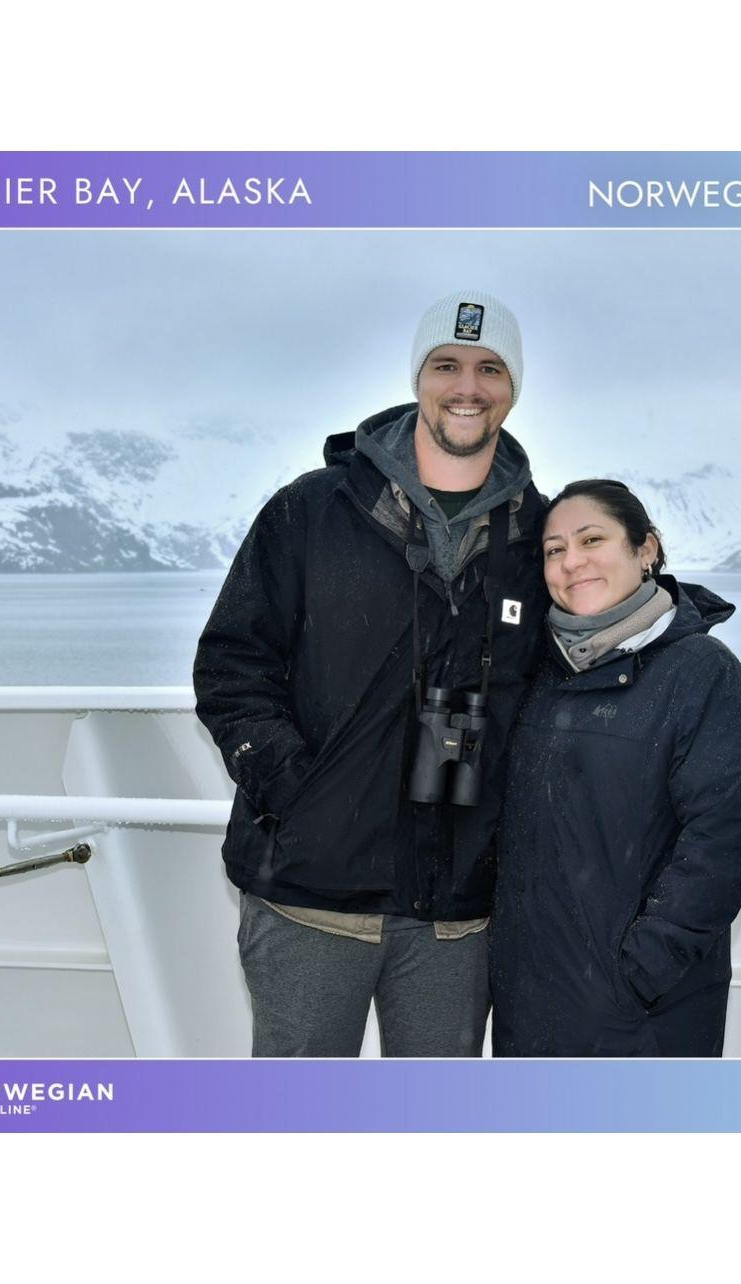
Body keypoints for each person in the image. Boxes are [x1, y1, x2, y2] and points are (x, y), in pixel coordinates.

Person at [194, 291, 549, 1057]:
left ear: (513, 388)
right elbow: (232, 665)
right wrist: (299, 794)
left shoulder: (540, 537)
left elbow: (589, 650)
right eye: (446, 365)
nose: (467, 387)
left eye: (490, 369)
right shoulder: (310, 513)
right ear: (418, 378)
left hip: (458, 911)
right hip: (311, 898)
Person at [490, 479, 741, 1057]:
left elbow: (724, 840)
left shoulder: (701, 673)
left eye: (592, 540)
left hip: (642, 1012)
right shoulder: (539, 671)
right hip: (529, 1004)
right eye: (554, 549)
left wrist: (639, 975)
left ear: (646, 549)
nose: (572, 561)